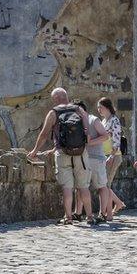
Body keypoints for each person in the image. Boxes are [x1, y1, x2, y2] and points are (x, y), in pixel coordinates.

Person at [27, 87, 94, 225]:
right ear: (66, 97)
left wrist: (34, 151)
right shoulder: (79, 110)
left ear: (56, 99)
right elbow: (87, 132)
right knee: (84, 187)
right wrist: (82, 146)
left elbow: (44, 135)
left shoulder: (53, 113)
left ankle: (68, 218)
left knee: (67, 187)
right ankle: (89, 217)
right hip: (81, 153)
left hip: (62, 153)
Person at [72, 100, 113, 223]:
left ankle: (102, 214)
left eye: (78, 110)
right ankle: (78, 213)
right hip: (82, 159)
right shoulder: (75, 122)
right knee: (80, 187)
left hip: (96, 158)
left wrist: (90, 143)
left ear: (83, 109)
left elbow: (105, 136)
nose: (76, 113)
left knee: (101, 187)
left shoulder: (93, 120)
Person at [98, 97, 126, 218]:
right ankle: (116, 205)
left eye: (101, 107)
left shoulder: (114, 120)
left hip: (113, 156)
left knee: (105, 185)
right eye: (98, 107)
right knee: (104, 185)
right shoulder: (103, 121)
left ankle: (106, 213)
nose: (99, 110)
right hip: (104, 156)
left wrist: (112, 156)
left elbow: (116, 139)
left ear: (108, 107)